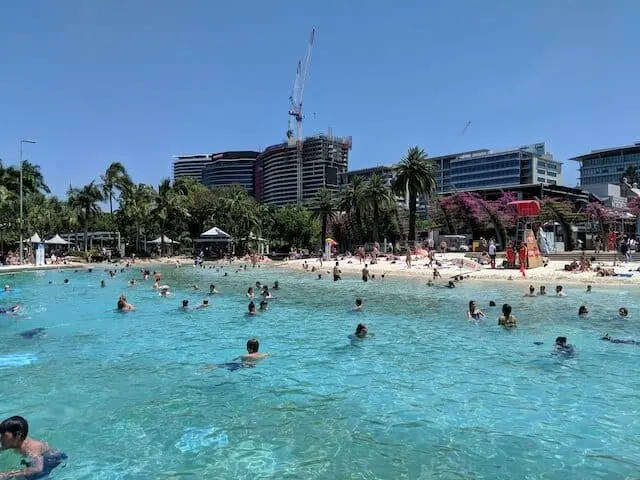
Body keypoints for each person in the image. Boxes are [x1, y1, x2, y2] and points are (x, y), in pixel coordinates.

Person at [0, 415, 67, 479]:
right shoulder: (14, 442)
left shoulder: (30, 448)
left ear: (18, 435)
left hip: (51, 461)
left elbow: (37, 469)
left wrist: (7, 474)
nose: (1, 438)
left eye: (4, 435)